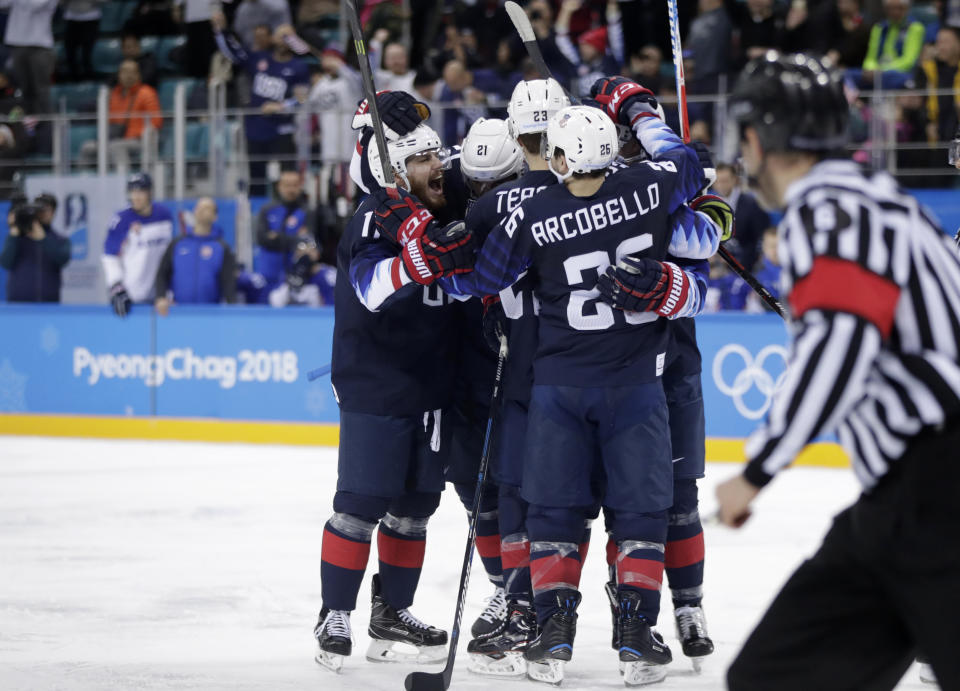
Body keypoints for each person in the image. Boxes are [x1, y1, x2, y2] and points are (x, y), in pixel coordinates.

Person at [444, 83, 719, 685]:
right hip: (635, 386)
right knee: (643, 511)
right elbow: (692, 167)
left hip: (557, 387)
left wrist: (448, 252)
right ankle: (635, 639)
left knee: (554, 512)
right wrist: (642, 112)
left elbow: (479, 280)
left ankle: (552, 637)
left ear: (560, 159)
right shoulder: (648, 187)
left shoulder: (536, 213)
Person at [716, 52, 960, 691]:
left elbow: (842, 338)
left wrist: (759, 469)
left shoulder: (827, 206)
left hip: (939, 489)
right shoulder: (869, 196)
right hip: (900, 502)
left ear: (756, 139)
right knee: (775, 675)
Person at [312, 92, 476, 672]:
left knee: (414, 509)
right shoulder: (370, 218)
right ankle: (335, 615)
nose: (439, 167)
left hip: (432, 383)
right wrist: (418, 262)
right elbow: (371, 289)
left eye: (438, 154)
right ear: (392, 169)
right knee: (359, 506)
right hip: (376, 383)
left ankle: (392, 612)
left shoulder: (439, 198)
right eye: (423, 159)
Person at [444, 116, 526, 647]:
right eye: (475, 185)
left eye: (492, 186)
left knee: (520, 485)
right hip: (471, 357)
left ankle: (525, 596)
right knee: (472, 483)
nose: (481, 195)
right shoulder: (458, 174)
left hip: (529, 361)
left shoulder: (541, 195)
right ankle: (504, 587)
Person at [212, 15, 310, 195]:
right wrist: (221, 31)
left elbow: (302, 98)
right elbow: (234, 53)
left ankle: (286, 207)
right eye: (281, 36)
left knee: (287, 176)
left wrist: (280, 106)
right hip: (256, 127)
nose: (283, 40)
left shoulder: (299, 67)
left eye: (288, 37)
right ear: (273, 38)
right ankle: (256, 211)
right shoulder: (259, 59)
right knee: (256, 177)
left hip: (283, 130)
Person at [102, 172, 175, 318]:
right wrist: (116, 286)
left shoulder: (164, 215)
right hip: (133, 296)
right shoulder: (121, 220)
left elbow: (170, 254)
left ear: (150, 192)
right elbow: (110, 257)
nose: (136, 196)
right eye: (132, 191)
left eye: (140, 191)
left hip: (161, 296)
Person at [154, 197, 237, 315]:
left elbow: (229, 283)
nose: (202, 210)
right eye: (199, 207)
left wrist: (232, 308)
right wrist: (161, 296)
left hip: (211, 314)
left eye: (207, 208)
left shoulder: (221, 247)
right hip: (178, 312)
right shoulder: (178, 243)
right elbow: (162, 273)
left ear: (215, 217)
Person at [81, 60, 163, 172]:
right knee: (87, 147)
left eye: (132, 72)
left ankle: (123, 182)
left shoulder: (147, 93)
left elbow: (156, 121)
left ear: (138, 75)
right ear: (119, 75)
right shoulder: (114, 94)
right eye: (124, 72)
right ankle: (85, 182)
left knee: (116, 146)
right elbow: (110, 121)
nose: (128, 75)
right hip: (115, 138)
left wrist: (138, 134)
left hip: (138, 140)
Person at [252, 169, 324, 293]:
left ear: (300, 186)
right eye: (287, 185)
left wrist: (276, 237)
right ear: (279, 186)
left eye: (295, 185)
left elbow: (309, 242)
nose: (291, 189)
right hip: (269, 275)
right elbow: (261, 239)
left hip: (298, 278)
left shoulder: (307, 212)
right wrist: (295, 240)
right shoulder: (267, 209)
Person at [0, 200, 70, 302]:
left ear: (54, 212)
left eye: (47, 210)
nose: (42, 215)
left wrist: (43, 239)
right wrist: (14, 235)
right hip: (17, 303)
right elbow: (5, 263)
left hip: (48, 302)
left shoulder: (58, 239)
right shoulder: (16, 238)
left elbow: (63, 259)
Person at [848, 0, 925, 89]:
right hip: (877, 71)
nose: (895, 12)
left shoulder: (915, 28)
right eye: (891, 9)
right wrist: (870, 68)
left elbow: (908, 61)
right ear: (886, 10)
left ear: (906, 9)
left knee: (888, 77)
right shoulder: (879, 28)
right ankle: (855, 102)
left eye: (899, 8)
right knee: (848, 76)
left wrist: (882, 70)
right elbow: (870, 58)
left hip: (900, 73)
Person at [710, 162, 771, 272]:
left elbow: (761, 237)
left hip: (746, 267)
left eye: (725, 181)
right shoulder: (708, 204)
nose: (720, 185)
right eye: (717, 181)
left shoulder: (752, 203)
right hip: (719, 267)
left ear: (734, 180)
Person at [2, 0, 56, 117]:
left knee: (41, 91)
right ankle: (26, 129)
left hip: (40, 46)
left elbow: (35, 4)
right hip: (17, 44)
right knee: (23, 90)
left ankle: (46, 128)